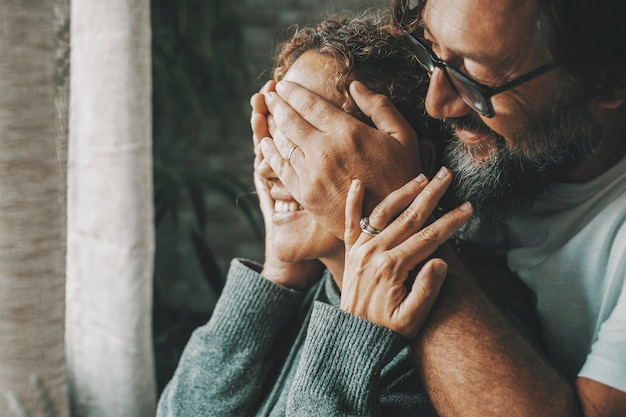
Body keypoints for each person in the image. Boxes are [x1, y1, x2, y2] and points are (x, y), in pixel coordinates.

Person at [256, 0, 626, 415]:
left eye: (477, 80)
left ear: (606, 80)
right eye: (430, 51)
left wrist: (395, 215)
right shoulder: (461, 149)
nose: (437, 104)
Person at [157, 11, 474, 416]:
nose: (270, 167)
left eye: (306, 136)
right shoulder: (304, 296)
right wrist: (275, 278)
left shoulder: (434, 351)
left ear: (412, 163)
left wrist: (352, 340)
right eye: (273, 132)